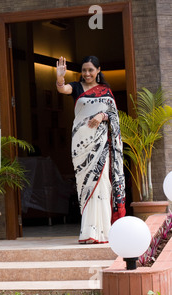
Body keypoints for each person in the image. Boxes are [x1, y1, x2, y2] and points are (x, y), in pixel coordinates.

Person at [56, 55, 126, 244]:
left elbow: (114, 115)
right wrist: (60, 77)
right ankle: (87, 232)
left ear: (98, 70)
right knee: (84, 186)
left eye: (91, 70)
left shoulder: (106, 91)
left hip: (100, 145)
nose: (87, 73)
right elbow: (62, 89)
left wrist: (102, 115)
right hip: (80, 144)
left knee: (101, 184)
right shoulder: (77, 87)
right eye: (84, 70)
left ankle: (103, 232)